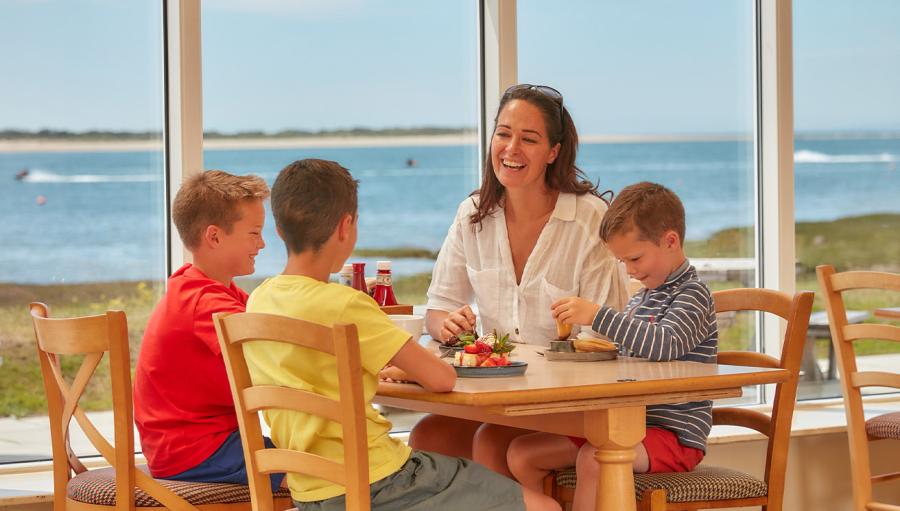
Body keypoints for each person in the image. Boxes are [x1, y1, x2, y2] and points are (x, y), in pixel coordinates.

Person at [242, 159, 560, 511]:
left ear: (280, 229)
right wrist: (410, 368)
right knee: (544, 507)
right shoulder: (347, 305)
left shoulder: (259, 301)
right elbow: (440, 378)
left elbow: (316, 380)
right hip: (379, 482)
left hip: (311, 492)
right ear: (346, 226)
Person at [410, 84, 629, 470]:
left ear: (553, 152)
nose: (511, 149)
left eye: (529, 139)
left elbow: (602, 340)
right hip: (496, 396)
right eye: (503, 134)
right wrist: (449, 326)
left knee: (490, 440)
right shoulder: (472, 215)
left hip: (570, 401)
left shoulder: (588, 218)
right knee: (428, 436)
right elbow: (438, 310)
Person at [507, 181, 718, 509]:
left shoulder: (692, 295)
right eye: (623, 263)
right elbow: (629, 355)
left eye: (635, 258)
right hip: (625, 426)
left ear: (671, 241)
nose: (630, 270)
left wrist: (597, 315)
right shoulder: (642, 298)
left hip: (673, 435)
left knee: (598, 458)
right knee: (522, 454)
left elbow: (664, 345)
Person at [133, 170, 282, 489]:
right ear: (214, 237)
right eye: (254, 233)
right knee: (325, 471)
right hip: (198, 452)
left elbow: (270, 330)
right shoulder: (204, 301)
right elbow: (274, 353)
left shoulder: (208, 289)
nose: (263, 244)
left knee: (320, 461)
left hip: (203, 445)